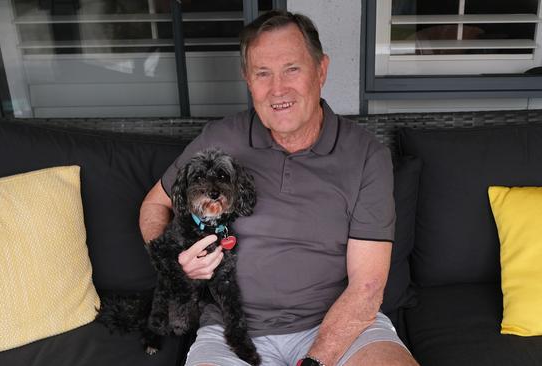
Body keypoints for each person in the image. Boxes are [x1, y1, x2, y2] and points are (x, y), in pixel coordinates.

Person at [139, 10, 419, 366]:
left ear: (321, 71)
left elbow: (367, 289)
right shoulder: (221, 139)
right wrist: (174, 262)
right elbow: (153, 205)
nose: (278, 89)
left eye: (292, 69)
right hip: (230, 333)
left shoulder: (366, 155)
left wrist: (314, 361)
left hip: (343, 328)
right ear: (248, 81)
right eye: (262, 74)